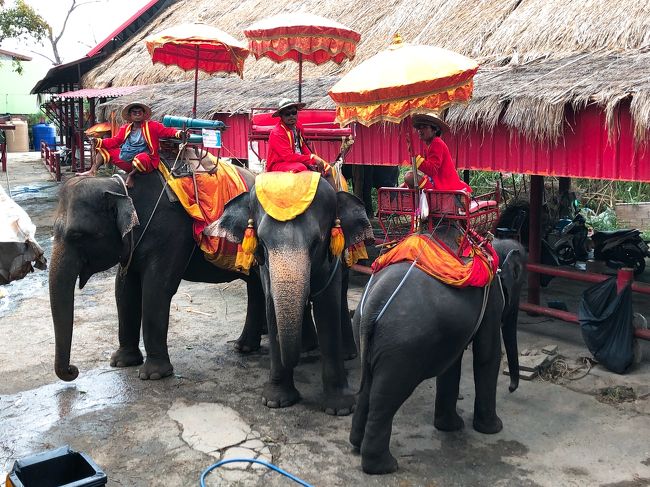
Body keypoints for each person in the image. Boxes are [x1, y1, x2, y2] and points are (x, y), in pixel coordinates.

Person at [77, 102, 183, 187]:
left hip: (146, 161)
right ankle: (92, 171)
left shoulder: (152, 126)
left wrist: (178, 133)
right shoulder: (126, 128)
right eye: (134, 112)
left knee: (141, 158)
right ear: (130, 115)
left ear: (143, 114)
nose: (137, 114)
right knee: (103, 149)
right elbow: (115, 141)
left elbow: (167, 131)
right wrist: (99, 142)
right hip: (128, 157)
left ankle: (131, 175)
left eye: (139, 112)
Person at [403, 112, 471, 193]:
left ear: (434, 130)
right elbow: (430, 173)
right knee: (408, 180)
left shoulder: (437, 143)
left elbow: (432, 170)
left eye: (424, 127)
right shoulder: (431, 145)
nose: (420, 131)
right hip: (438, 184)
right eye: (419, 128)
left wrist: (414, 155)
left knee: (409, 176)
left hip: (443, 187)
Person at [266, 98, 328, 173]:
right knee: (301, 168)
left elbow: (303, 146)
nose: (291, 116)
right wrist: (311, 158)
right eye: (287, 114)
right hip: (279, 164)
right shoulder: (277, 133)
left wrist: (313, 159)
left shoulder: (298, 126)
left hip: (297, 160)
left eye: (294, 112)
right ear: (281, 116)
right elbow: (288, 157)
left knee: (325, 166)